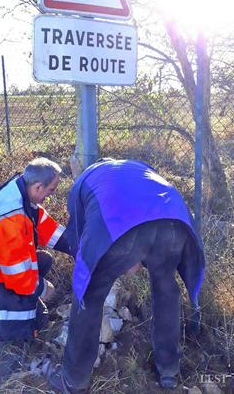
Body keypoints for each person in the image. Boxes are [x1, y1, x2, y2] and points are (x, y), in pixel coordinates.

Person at [48, 158, 205, 392]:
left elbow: (82, 240)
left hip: (123, 225)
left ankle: (74, 380)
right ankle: (168, 370)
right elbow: (150, 225)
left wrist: (117, 259)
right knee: (165, 288)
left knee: (89, 295)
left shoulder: (82, 182)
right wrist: (138, 255)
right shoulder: (137, 168)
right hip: (174, 220)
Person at [0, 157, 69, 348]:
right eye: (51, 190)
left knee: (44, 260)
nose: (51, 195)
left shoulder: (21, 195)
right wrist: (41, 288)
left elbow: (47, 229)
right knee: (37, 323)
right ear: (38, 186)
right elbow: (15, 274)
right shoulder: (12, 218)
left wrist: (77, 246)